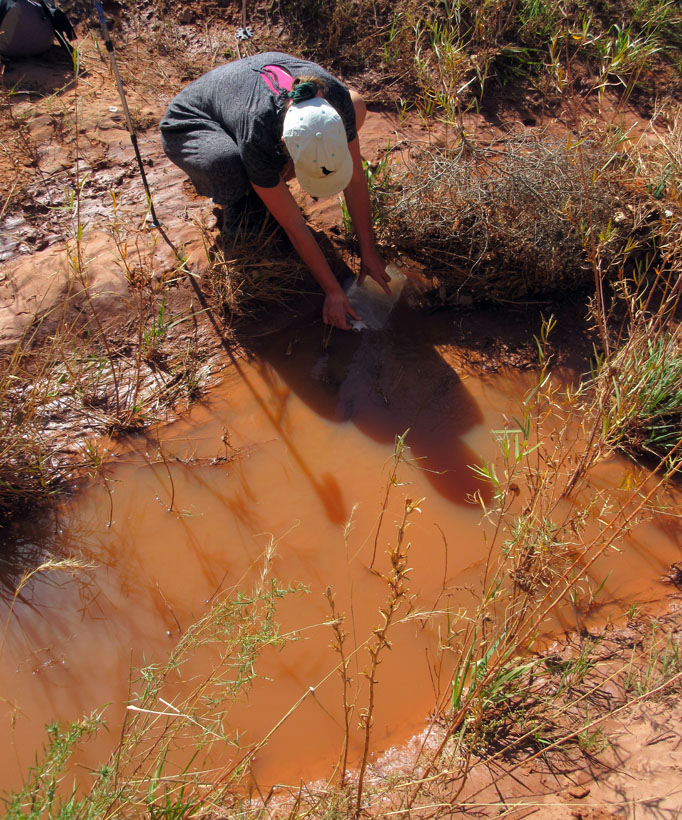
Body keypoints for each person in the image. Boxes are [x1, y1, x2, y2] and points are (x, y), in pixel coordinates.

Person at [160, 51, 391, 331]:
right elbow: (295, 226)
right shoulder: (256, 133)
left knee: (357, 104)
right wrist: (332, 290)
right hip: (192, 122)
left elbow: (354, 178)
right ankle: (241, 204)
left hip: (245, 94)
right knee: (227, 165)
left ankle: (266, 183)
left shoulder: (337, 100)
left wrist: (369, 249)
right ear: (284, 142)